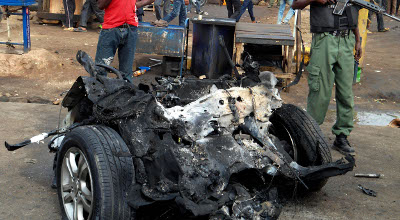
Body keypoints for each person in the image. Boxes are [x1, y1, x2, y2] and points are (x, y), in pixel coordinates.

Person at [292, 0, 362, 154]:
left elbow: (352, 13)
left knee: (346, 92)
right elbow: (295, 4)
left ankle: (341, 136)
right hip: (325, 40)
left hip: (347, 40)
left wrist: (358, 40)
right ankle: (311, 136)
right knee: (320, 89)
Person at [96, 0, 154, 82]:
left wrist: (135, 5)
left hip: (131, 28)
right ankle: (98, 92)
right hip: (111, 28)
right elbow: (100, 5)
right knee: (101, 69)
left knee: (126, 74)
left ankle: (125, 92)